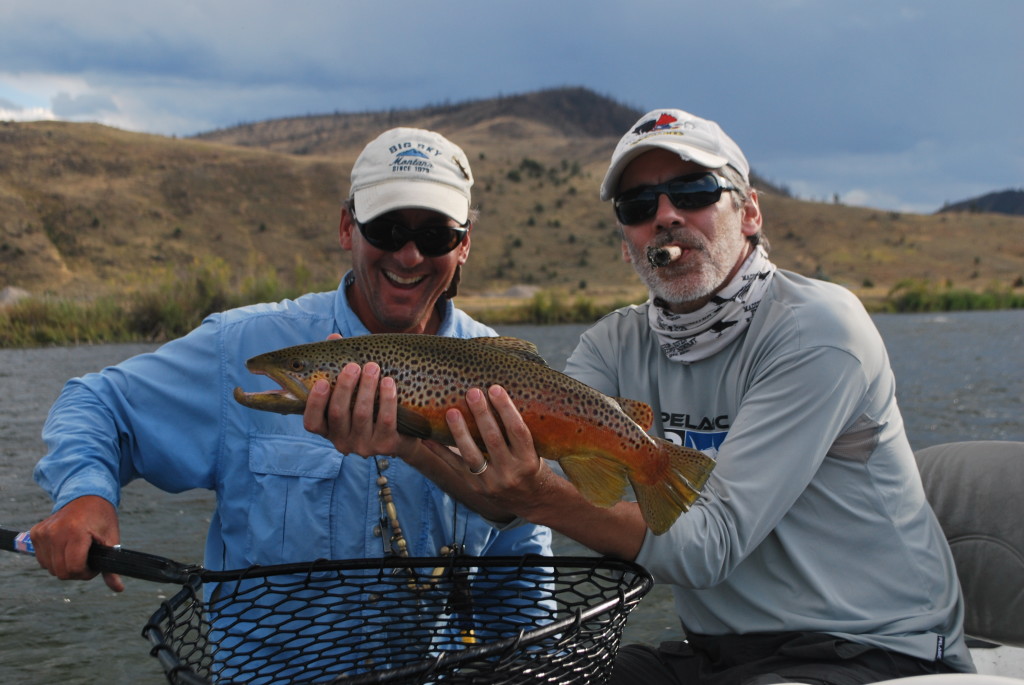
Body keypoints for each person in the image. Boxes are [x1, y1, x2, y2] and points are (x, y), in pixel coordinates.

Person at [338, 109, 974, 684]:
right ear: (627, 242)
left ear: (750, 212)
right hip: (718, 653)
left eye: (695, 192)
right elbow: (507, 500)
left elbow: (707, 545)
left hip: (874, 649)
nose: (666, 215)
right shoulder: (616, 344)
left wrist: (537, 493)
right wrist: (409, 443)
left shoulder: (818, 329)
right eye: (639, 205)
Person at [29, 127, 551, 679]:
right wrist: (85, 495)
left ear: (465, 242)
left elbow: (520, 568)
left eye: (436, 235)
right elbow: (96, 404)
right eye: (387, 227)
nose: (409, 253)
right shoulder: (247, 347)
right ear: (347, 226)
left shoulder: (505, 377)